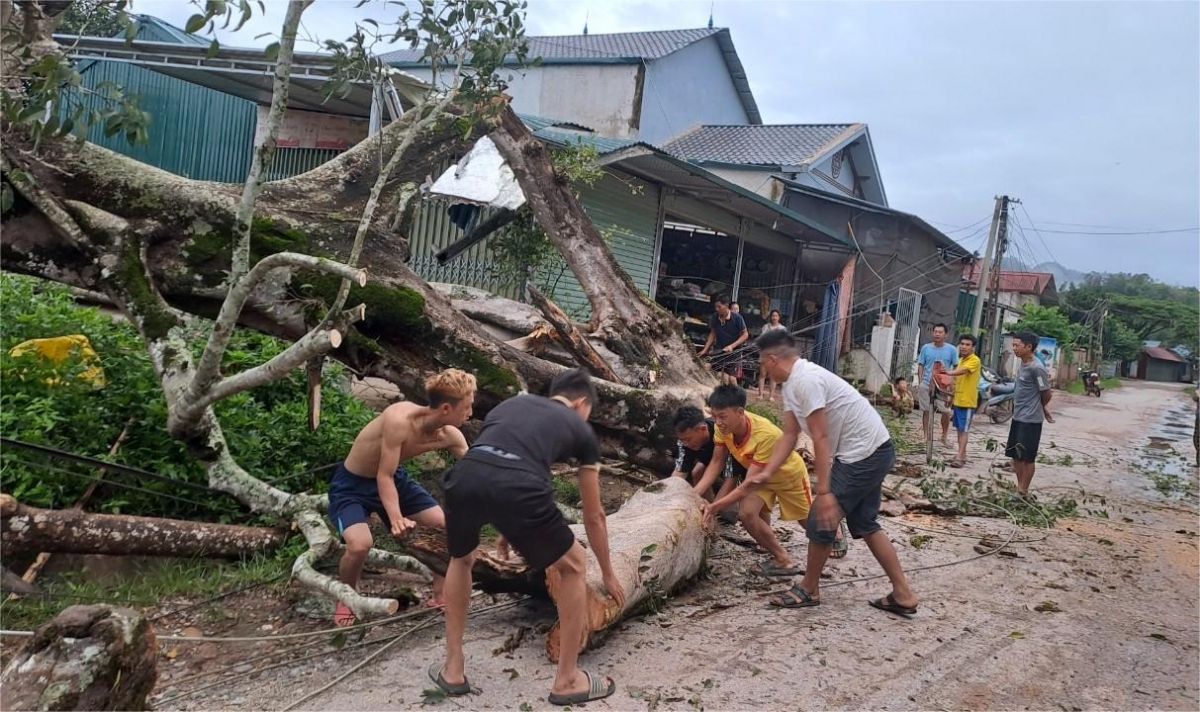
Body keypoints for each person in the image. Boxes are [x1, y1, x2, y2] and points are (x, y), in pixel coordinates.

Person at [432, 369, 625, 706]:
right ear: (581, 404)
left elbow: (501, 461)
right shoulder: (581, 430)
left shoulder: (511, 406)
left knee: (461, 559)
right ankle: (567, 680)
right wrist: (608, 573)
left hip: (464, 476)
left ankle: (452, 668)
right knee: (574, 564)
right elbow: (593, 517)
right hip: (517, 486)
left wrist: (510, 528)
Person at [754, 329, 918, 617]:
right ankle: (903, 593)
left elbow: (821, 437)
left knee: (820, 519)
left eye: (762, 363)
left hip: (864, 453)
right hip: (871, 450)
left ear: (772, 359)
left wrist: (826, 491)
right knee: (865, 523)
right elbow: (790, 435)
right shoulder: (792, 384)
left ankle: (809, 589)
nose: (762, 369)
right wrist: (767, 471)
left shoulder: (806, 380)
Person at [328, 369, 476, 626]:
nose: (470, 414)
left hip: (395, 479)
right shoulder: (399, 419)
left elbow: (478, 470)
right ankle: (347, 597)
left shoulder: (450, 435)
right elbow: (382, 475)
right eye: (466, 407)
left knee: (443, 524)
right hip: (353, 484)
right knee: (359, 545)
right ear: (444, 408)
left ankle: (440, 593)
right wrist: (396, 518)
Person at [694, 385, 826, 575]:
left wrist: (715, 507)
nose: (718, 422)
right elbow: (717, 461)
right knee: (747, 514)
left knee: (806, 521)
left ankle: (833, 532)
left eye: (722, 416)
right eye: (714, 416)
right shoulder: (722, 428)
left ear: (740, 412)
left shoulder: (765, 434)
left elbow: (747, 485)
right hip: (760, 477)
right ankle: (782, 559)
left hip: (787, 476)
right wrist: (695, 494)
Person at [1007, 331, 1054, 495]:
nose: (1014, 348)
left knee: (1027, 457)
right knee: (1015, 455)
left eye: (1017, 345)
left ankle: (1022, 490)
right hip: (1018, 416)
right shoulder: (1023, 363)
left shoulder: (1037, 368)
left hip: (1030, 420)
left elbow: (1046, 392)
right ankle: (1020, 488)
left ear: (1029, 347)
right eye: (1013, 345)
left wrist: (1043, 407)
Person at [670, 405, 747, 502]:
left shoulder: (724, 433)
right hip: (712, 460)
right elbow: (680, 472)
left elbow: (731, 478)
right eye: (682, 440)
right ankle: (708, 505)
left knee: (744, 510)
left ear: (703, 429)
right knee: (697, 472)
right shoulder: (685, 442)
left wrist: (715, 507)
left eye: (688, 439)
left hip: (741, 463)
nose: (686, 444)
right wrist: (669, 494)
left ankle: (720, 510)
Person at [943, 334, 981, 468]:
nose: (964, 347)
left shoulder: (974, 360)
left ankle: (959, 457)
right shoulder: (960, 360)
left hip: (967, 402)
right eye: (962, 344)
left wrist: (948, 372)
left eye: (967, 345)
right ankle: (961, 454)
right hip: (958, 400)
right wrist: (950, 395)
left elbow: (962, 371)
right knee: (959, 429)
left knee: (964, 430)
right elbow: (955, 381)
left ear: (973, 347)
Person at [917, 324, 958, 448]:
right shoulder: (926, 348)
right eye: (935, 331)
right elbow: (921, 364)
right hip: (926, 383)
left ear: (946, 334)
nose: (937, 334)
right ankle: (926, 436)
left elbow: (956, 367)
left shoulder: (951, 350)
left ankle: (944, 436)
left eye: (940, 332)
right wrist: (920, 381)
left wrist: (952, 383)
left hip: (943, 385)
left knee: (945, 411)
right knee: (926, 410)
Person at [698, 295, 749, 386]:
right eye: (715, 307)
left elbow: (745, 335)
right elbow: (713, 333)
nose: (717, 309)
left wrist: (732, 346)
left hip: (733, 353)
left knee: (730, 378)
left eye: (719, 307)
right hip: (719, 350)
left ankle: (737, 397)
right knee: (707, 367)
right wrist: (705, 349)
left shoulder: (737, 318)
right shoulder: (715, 317)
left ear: (726, 306)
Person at [757, 310, 788, 401]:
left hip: (776, 355)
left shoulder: (782, 329)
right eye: (773, 316)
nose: (774, 317)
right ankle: (760, 394)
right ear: (770, 317)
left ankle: (771, 395)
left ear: (779, 317)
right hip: (765, 354)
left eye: (776, 316)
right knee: (762, 374)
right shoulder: (766, 327)